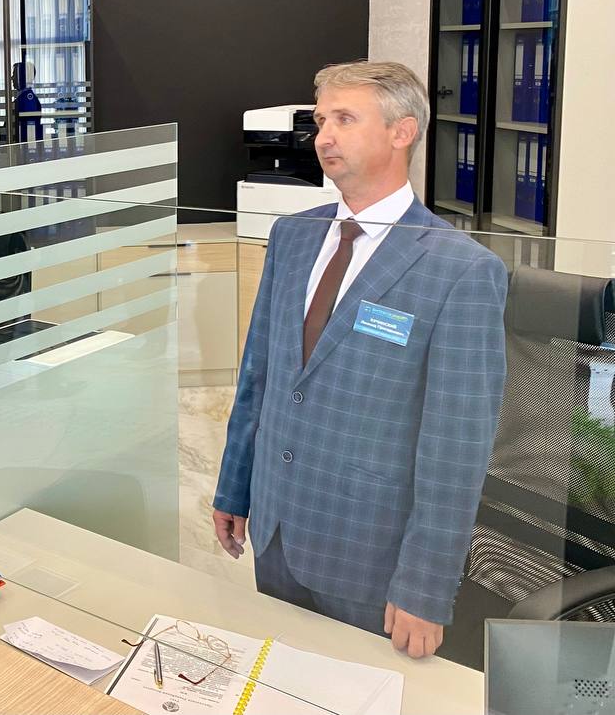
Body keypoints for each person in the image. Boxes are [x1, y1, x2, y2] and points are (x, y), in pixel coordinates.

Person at [212, 61, 507, 659]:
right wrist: (235, 487)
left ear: (402, 132)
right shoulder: (292, 236)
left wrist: (426, 584)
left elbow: (456, 447)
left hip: (370, 554)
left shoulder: (461, 270)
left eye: (344, 119)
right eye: (321, 121)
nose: (323, 137)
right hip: (277, 530)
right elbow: (260, 376)